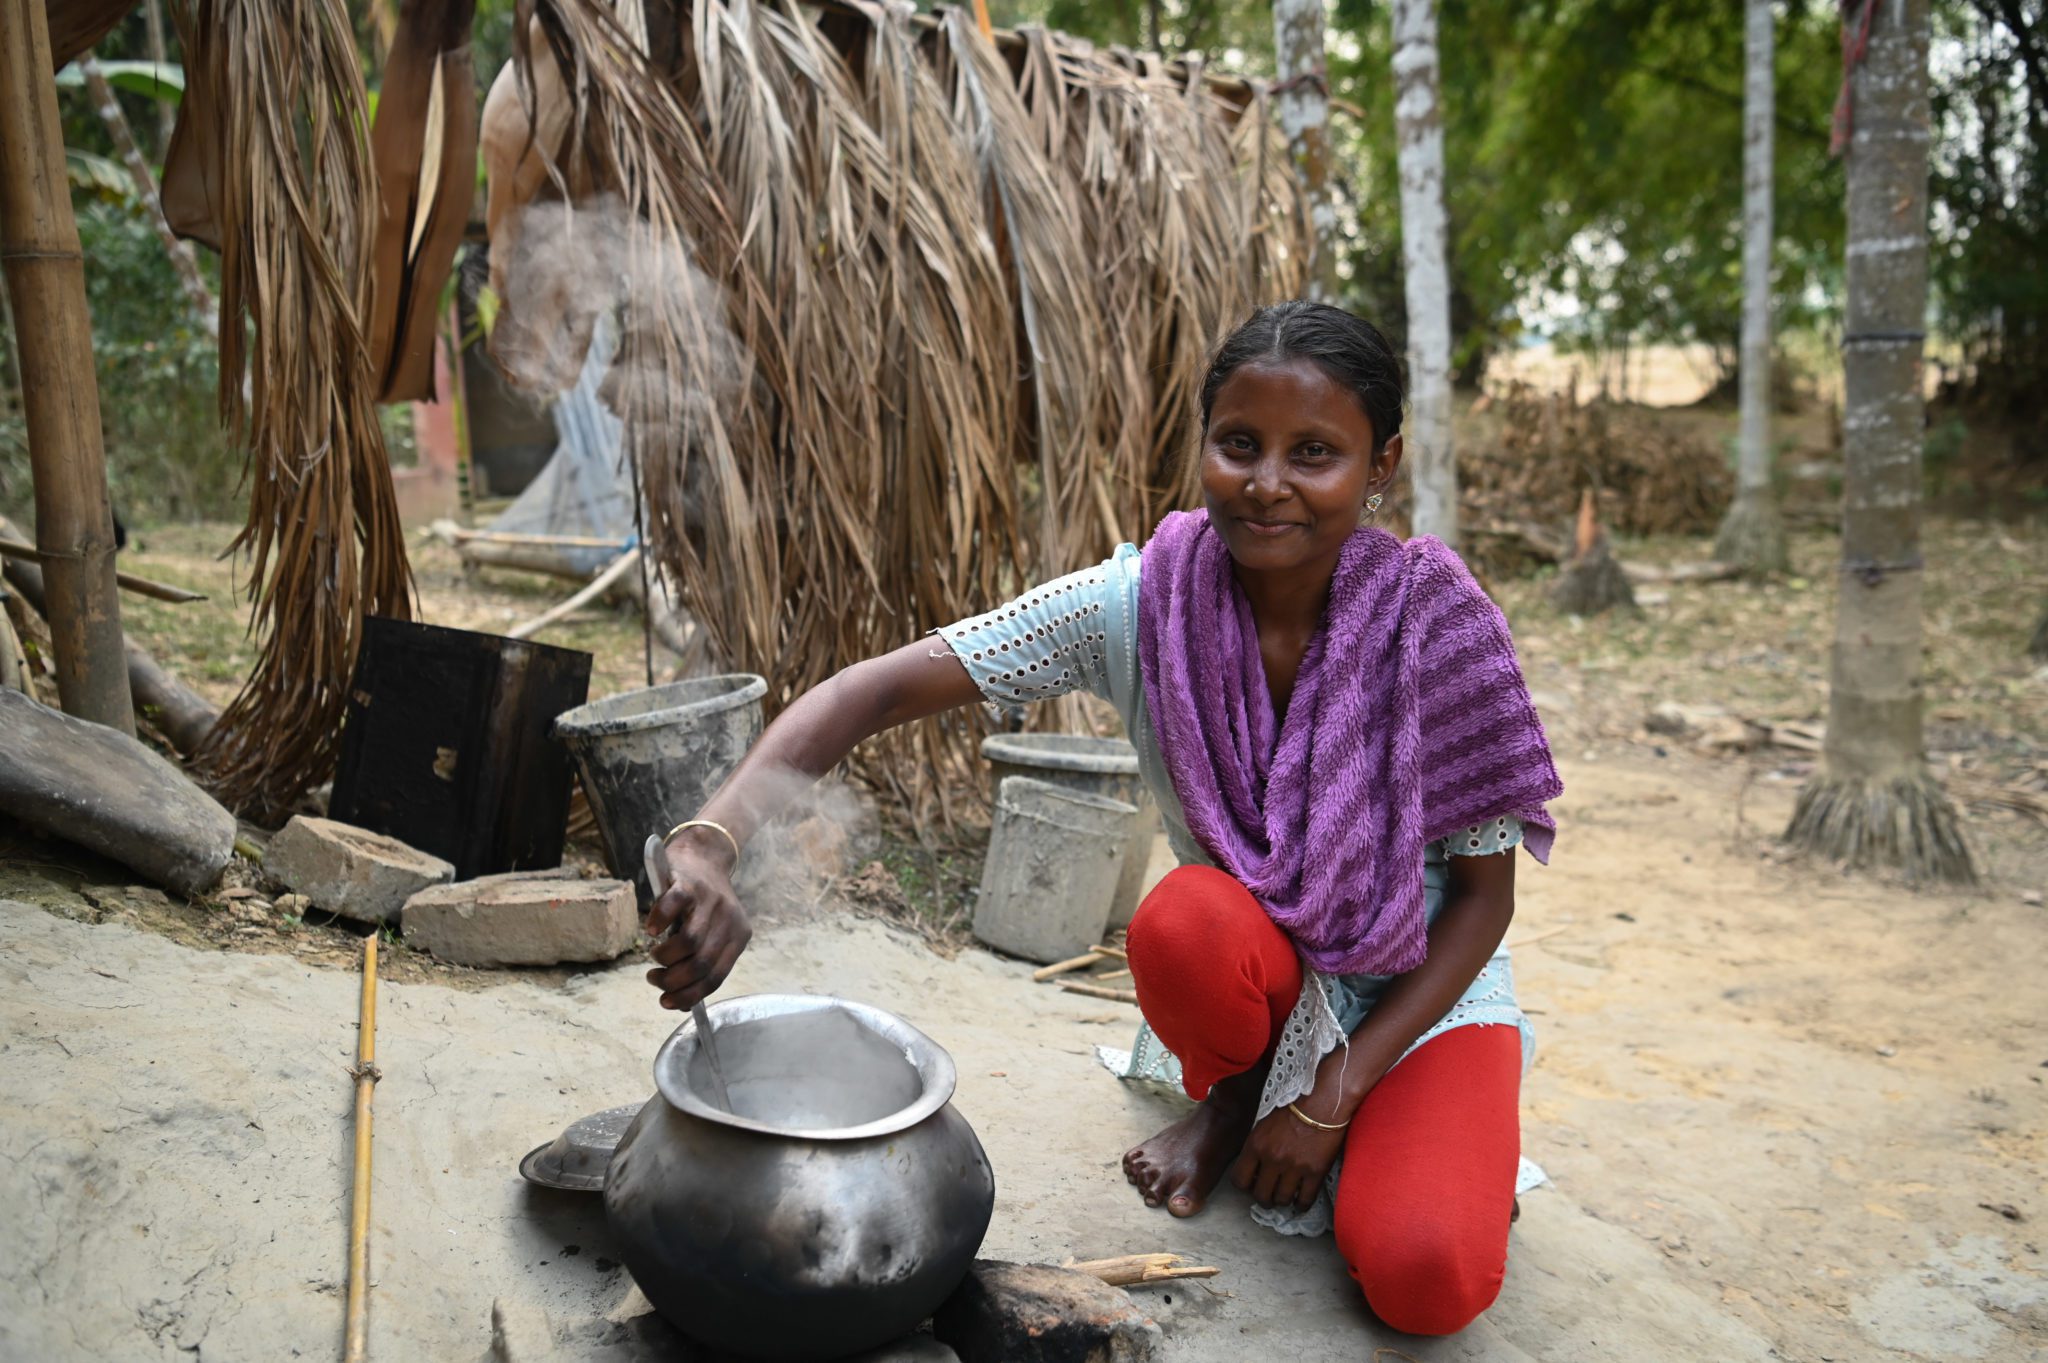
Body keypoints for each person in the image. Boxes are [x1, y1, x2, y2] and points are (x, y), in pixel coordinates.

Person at [645, 300, 1562, 1337]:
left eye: (1314, 453)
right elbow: (874, 692)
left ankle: (1387, 1120)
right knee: (1185, 920)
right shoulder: (1144, 605)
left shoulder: (1438, 626)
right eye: (1237, 444)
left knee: (1423, 1277)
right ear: (1202, 443)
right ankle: (1232, 1100)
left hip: (1422, 984)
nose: (1266, 484)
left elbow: (1482, 906)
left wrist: (1334, 1092)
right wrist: (708, 842)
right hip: (1259, 966)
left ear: (1380, 462)